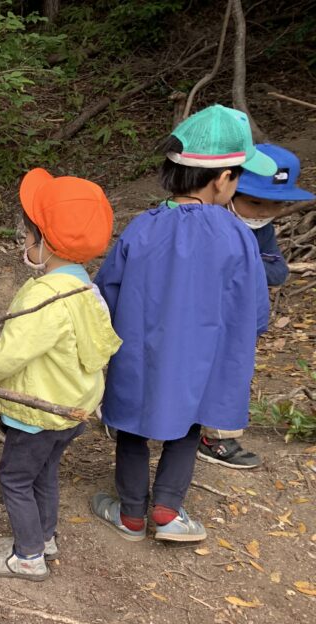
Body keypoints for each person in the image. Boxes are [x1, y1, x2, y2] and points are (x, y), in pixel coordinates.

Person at [0, 169, 121, 581]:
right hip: (72, 408)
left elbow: (6, 359)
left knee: (14, 478)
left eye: (28, 235)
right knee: (43, 473)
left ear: (45, 243)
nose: (24, 243)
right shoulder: (86, 289)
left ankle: (29, 556)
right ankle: (43, 537)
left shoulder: (45, 296)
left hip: (39, 412)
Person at [92, 105, 275, 544]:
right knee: (190, 425)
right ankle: (168, 511)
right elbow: (255, 311)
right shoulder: (237, 236)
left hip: (141, 356)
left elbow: (106, 294)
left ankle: (131, 515)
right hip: (203, 360)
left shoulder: (141, 228)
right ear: (222, 179)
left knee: (131, 427)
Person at [199, 142, 313, 469]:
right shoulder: (203, 221)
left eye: (275, 204)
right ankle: (128, 421)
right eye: (255, 202)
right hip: (196, 315)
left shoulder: (263, 231)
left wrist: (243, 260)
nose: (264, 212)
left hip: (237, 321)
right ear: (228, 187)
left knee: (229, 375)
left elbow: (278, 272)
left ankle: (216, 438)